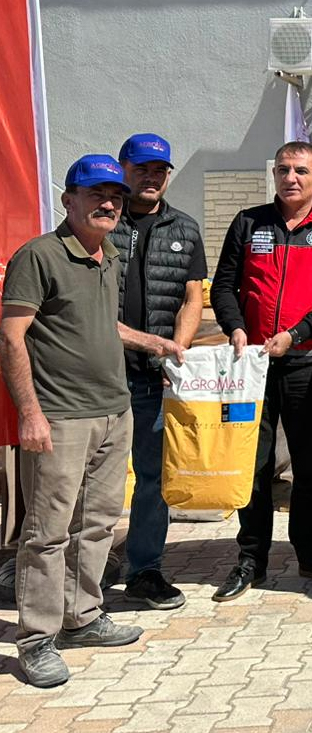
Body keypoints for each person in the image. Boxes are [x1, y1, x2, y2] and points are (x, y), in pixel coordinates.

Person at [1, 156, 182, 687]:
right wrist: (30, 414)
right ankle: (36, 639)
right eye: (96, 194)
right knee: (47, 533)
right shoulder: (39, 256)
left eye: (116, 196)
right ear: (68, 200)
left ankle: (81, 618)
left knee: (97, 523)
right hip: (60, 418)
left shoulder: (107, 255)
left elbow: (104, 324)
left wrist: (153, 342)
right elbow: (11, 337)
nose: (109, 203)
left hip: (114, 411)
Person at [209, 141, 312, 602]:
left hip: (309, 363)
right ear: (274, 174)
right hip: (251, 366)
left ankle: (311, 551)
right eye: (283, 170)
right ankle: (251, 558)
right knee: (254, 464)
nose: (291, 178)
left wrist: (296, 334)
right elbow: (224, 285)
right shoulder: (248, 222)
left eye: (301, 171)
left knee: (310, 464)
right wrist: (234, 327)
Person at [110, 134, 207, 610]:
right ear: (123, 169)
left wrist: (176, 353)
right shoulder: (102, 222)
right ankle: (80, 567)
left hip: (155, 378)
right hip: (101, 376)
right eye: (142, 168)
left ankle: (144, 570)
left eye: (160, 170)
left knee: (154, 478)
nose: (152, 177)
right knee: (93, 480)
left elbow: (192, 298)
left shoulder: (184, 228)